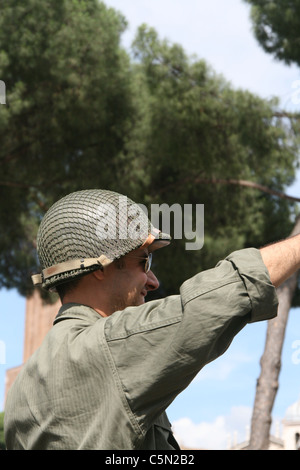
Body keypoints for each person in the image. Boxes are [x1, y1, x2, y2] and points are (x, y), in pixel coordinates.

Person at [3, 189, 300, 450]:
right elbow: (213, 301)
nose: (154, 281)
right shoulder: (108, 349)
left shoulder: (21, 389)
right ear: (100, 266)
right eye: (144, 260)